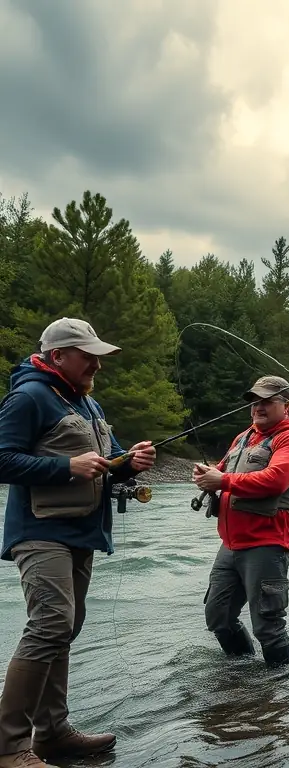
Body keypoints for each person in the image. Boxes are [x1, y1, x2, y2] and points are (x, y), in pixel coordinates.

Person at [0, 318, 156, 768]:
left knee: (62, 630)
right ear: (57, 357)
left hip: (82, 534)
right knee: (50, 624)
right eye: (88, 356)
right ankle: (9, 746)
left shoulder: (88, 403)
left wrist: (130, 463)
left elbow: (105, 464)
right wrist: (66, 467)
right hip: (39, 532)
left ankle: (52, 734)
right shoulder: (28, 397)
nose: (97, 365)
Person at [193, 375, 289, 668]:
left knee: (267, 627)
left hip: (268, 543)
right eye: (254, 402)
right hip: (231, 544)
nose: (258, 408)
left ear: (286, 405)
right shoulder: (244, 437)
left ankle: (279, 691)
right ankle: (245, 679)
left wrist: (221, 479)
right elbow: (222, 471)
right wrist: (207, 476)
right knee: (218, 617)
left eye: (267, 402)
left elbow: (275, 480)